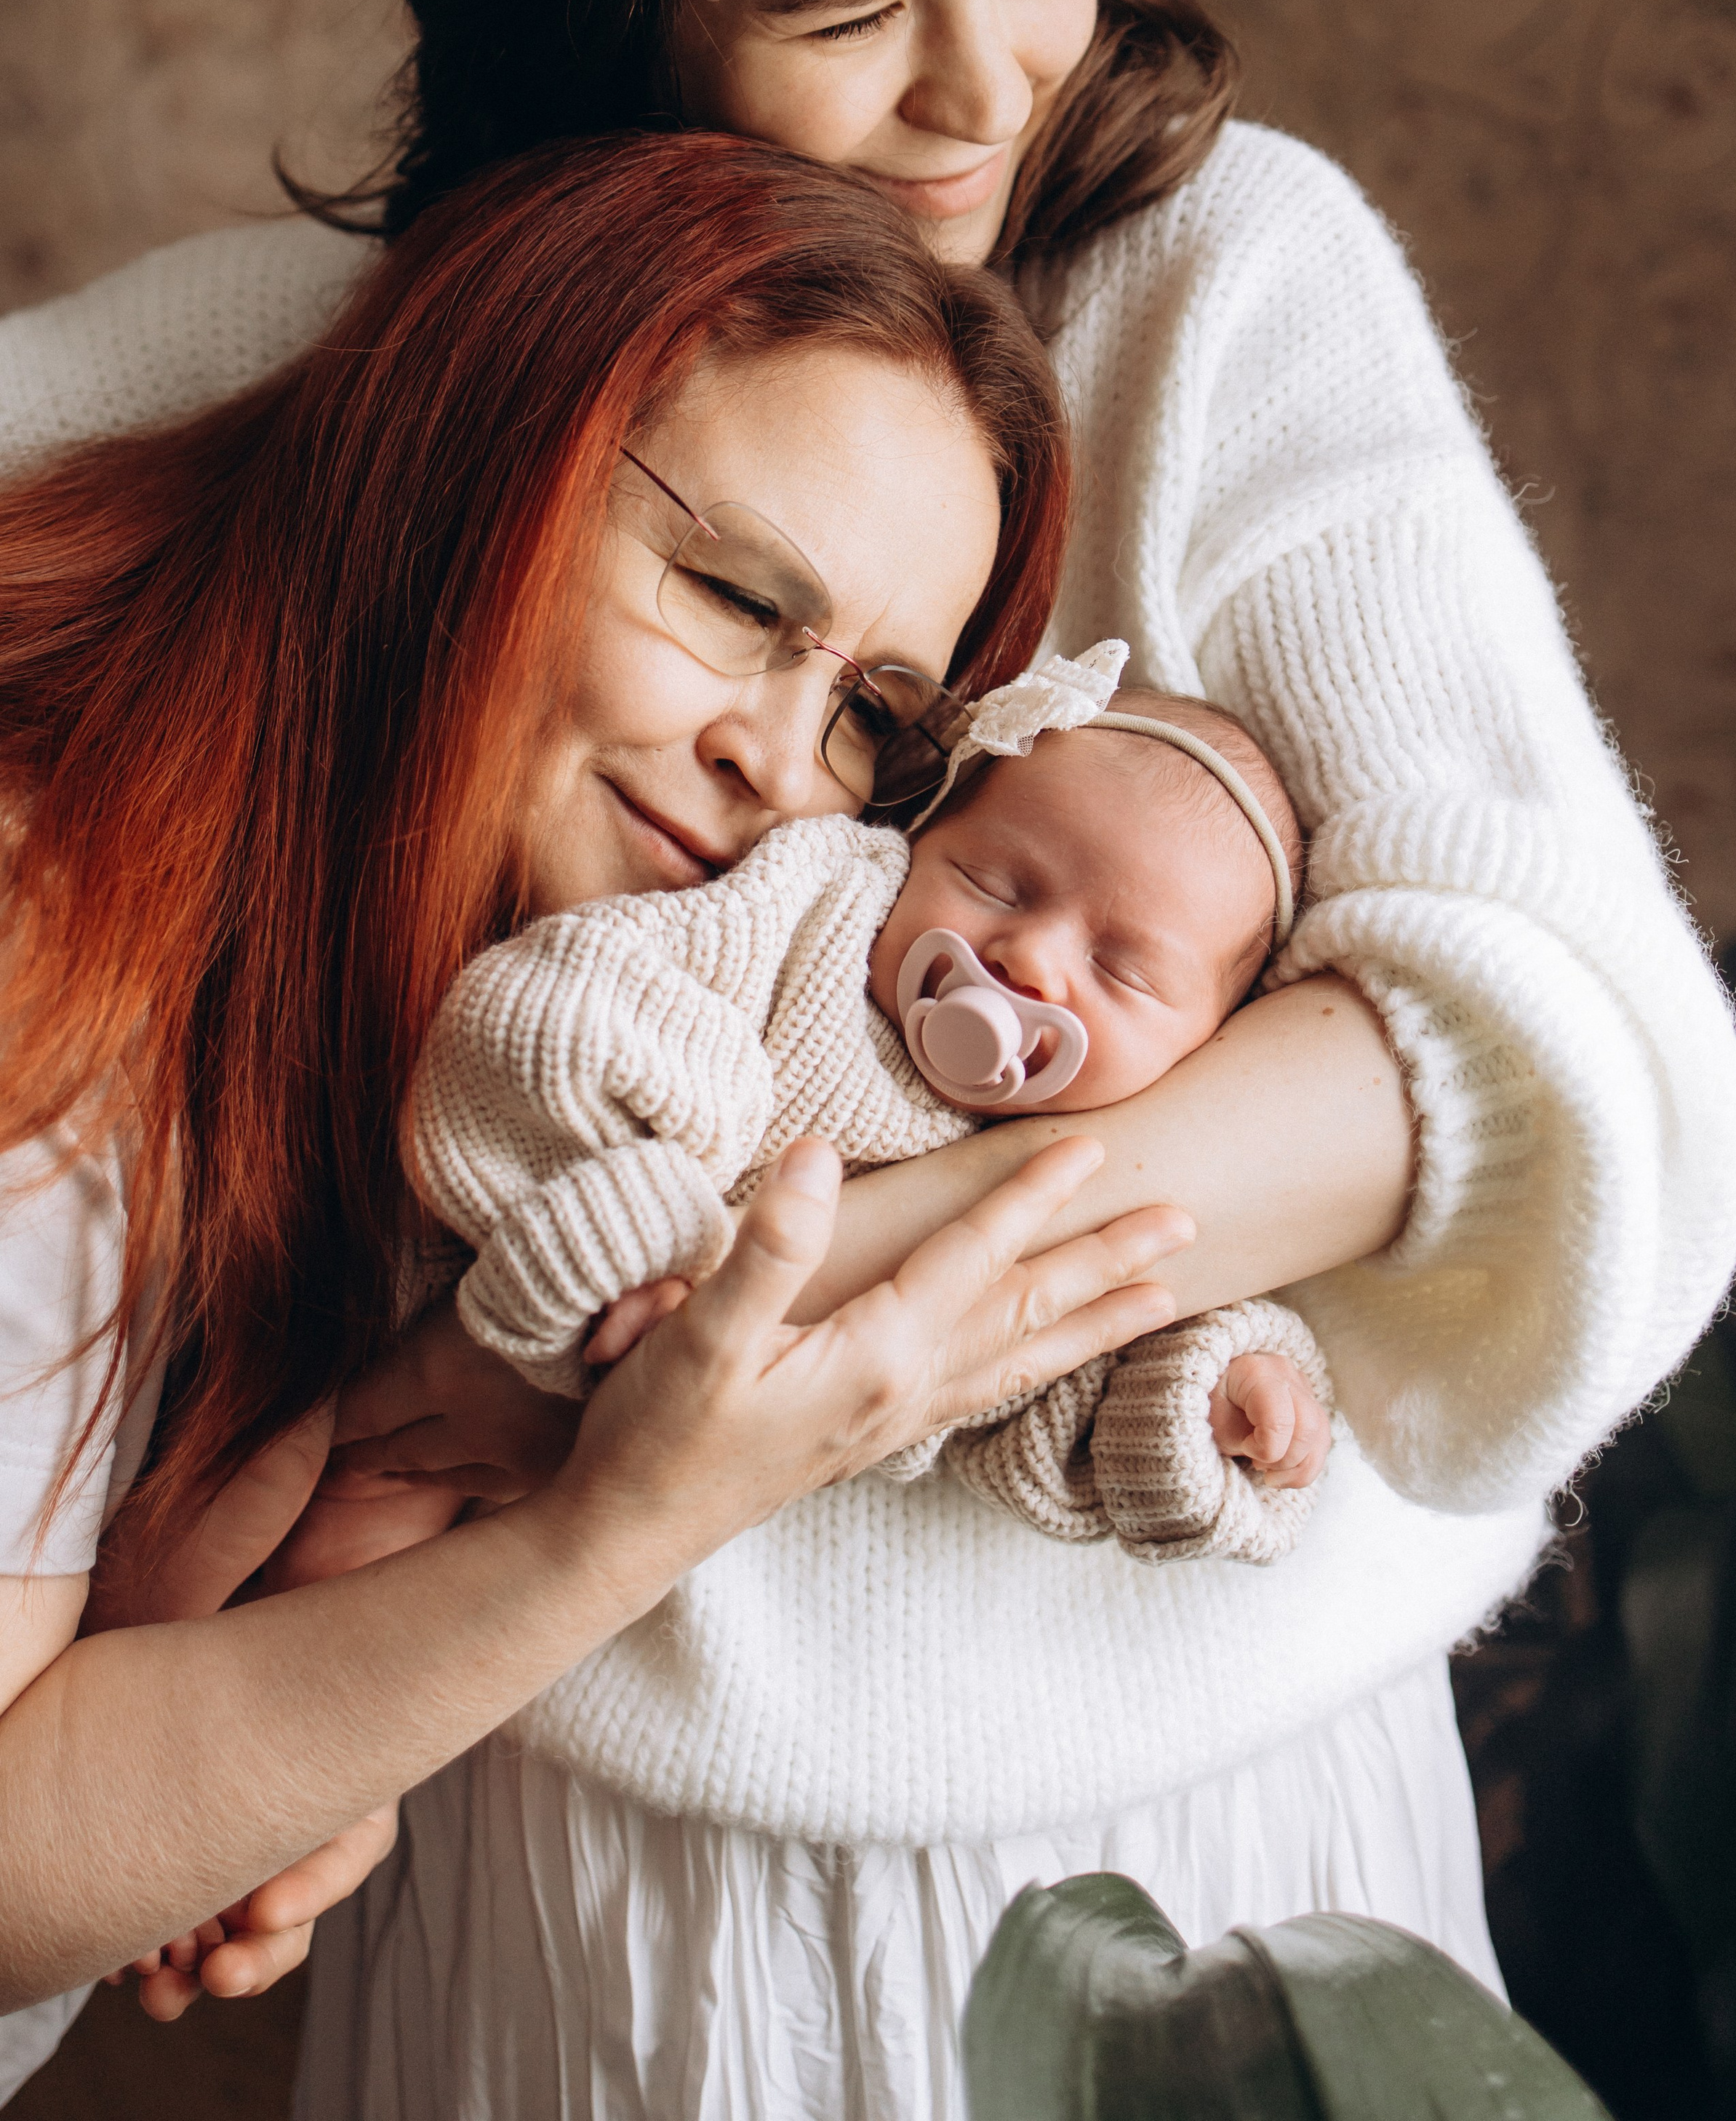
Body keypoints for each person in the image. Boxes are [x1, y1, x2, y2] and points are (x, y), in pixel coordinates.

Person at [0, 0, 1736, 2120]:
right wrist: (447, 1529)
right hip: (562, 1846)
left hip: (1204, 1817)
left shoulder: (1221, 285)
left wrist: (700, 1336)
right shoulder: (388, 383)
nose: (989, 96)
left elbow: (1551, 1058)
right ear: (611, 4)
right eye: (849, 12)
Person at [0, 134, 1193, 2101]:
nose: (777, 759)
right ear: (478, 449)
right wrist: (623, 1526)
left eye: (873, 719)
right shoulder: (43, 930)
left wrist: (261, 1734)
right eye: (733, 594)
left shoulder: (428, 978)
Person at [393, 646, 1335, 1581]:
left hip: (597, 1515)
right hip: (424, 1301)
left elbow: (1050, 1371)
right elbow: (558, 1017)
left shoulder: (1096, 1163)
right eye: (994, 884)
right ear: (922, 835)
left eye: (1121, 971)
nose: (1031, 960)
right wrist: (655, 1248)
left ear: (1203, 1050)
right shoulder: (813, 911)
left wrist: (1210, 1393)